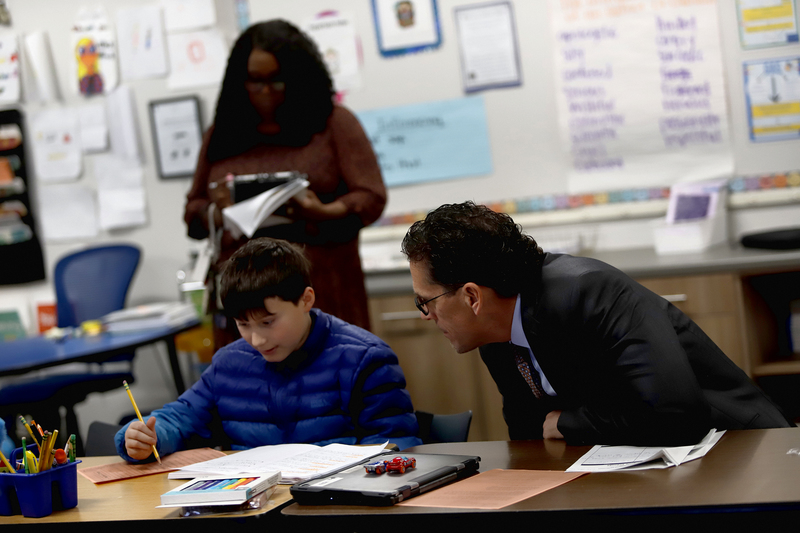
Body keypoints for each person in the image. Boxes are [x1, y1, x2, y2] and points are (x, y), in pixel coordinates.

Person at [401, 201, 793, 446]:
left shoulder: (587, 292)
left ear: (472, 297)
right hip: (638, 461)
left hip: (740, 447)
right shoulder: (494, 333)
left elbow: (673, 416)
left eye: (426, 301)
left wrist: (568, 423)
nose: (428, 315)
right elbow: (529, 432)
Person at [115, 238, 421, 462]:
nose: (257, 340)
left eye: (268, 322)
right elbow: (180, 417)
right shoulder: (230, 363)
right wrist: (141, 436)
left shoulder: (364, 359)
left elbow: (394, 447)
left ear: (306, 300)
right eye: (243, 325)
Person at [184, 20, 385, 347]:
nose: (265, 92)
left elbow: (371, 197)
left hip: (322, 293)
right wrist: (220, 211)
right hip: (247, 304)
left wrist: (322, 210)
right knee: (253, 391)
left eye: (276, 81)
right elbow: (192, 214)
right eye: (255, 82)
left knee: (331, 388)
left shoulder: (333, 123)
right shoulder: (222, 134)